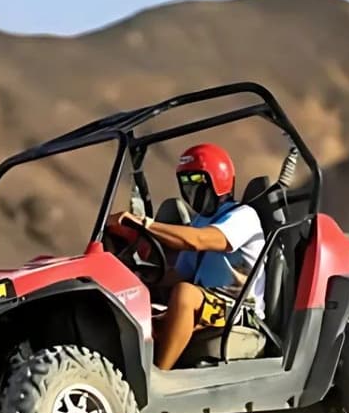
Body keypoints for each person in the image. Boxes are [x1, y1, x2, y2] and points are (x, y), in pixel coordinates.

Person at [108, 143, 265, 371]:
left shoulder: (243, 217)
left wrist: (145, 223)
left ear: (217, 181)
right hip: (209, 306)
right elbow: (179, 274)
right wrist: (136, 279)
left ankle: (159, 377)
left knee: (185, 294)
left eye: (197, 183)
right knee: (139, 310)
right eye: (186, 184)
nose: (191, 193)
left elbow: (199, 240)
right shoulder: (200, 222)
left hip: (239, 311)